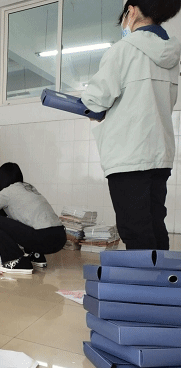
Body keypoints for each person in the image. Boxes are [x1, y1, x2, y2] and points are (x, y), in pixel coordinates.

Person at [81, 0, 181, 250]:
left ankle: (144, 276)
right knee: (155, 225)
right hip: (160, 155)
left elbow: (95, 100)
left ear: (132, 11)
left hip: (129, 157)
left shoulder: (123, 50)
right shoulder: (171, 56)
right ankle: (160, 274)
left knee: (134, 231)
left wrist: (91, 108)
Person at [0, 163, 66, 274]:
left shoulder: (8, 192)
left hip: (43, 238)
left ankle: (17, 262)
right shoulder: (30, 189)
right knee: (23, 221)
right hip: (60, 238)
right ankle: (36, 256)